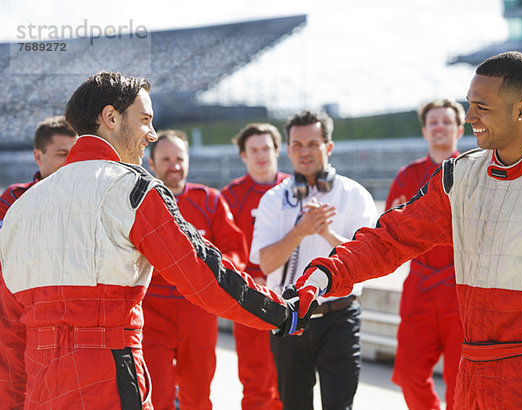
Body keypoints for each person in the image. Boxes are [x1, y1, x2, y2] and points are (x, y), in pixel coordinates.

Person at [293, 51, 522, 409]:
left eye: (481, 107)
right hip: (472, 377)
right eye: (469, 105)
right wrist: (323, 276)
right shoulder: (457, 176)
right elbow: (391, 238)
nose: (468, 117)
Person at [0, 71, 299, 409]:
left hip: (40, 387)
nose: (152, 134)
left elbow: (9, 335)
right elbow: (201, 273)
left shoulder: (19, 208)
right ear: (110, 117)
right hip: (109, 376)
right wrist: (282, 313)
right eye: (145, 120)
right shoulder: (132, 187)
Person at [250, 110, 378, 410]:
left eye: (313, 143)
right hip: (288, 317)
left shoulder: (354, 195)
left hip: (340, 317)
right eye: (297, 145)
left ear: (328, 147)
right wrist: (300, 231)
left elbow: (371, 262)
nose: (304, 151)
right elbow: (266, 264)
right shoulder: (272, 199)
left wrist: (328, 234)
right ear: (288, 150)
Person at [144, 130, 248, 409]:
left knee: (198, 396)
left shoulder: (210, 200)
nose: (174, 165)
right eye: (166, 159)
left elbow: (235, 250)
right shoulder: (140, 203)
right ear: (151, 163)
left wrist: (214, 274)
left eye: (179, 158)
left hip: (199, 311)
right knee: (156, 396)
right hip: (152, 313)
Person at [386, 99, 465, 410]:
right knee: (408, 374)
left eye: (446, 121)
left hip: (461, 289)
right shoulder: (408, 175)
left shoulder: (476, 170)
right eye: (433, 122)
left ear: (459, 129)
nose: (439, 127)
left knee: (461, 380)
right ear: (424, 131)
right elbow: (388, 232)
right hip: (420, 287)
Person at [222, 123, 289, 410]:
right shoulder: (230, 197)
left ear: (277, 150)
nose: (261, 155)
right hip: (251, 300)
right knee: (256, 382)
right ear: (243, 155)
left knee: (293, 382)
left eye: (266, 148)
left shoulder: (298, 189)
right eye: (254, 150)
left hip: (293, 297)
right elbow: (222, 248)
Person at [0, 115, 77, 225]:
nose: (70, 160)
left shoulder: (93, 195)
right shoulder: (14, 198)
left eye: (75, 154)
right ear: (38, 157)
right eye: (62, 154)